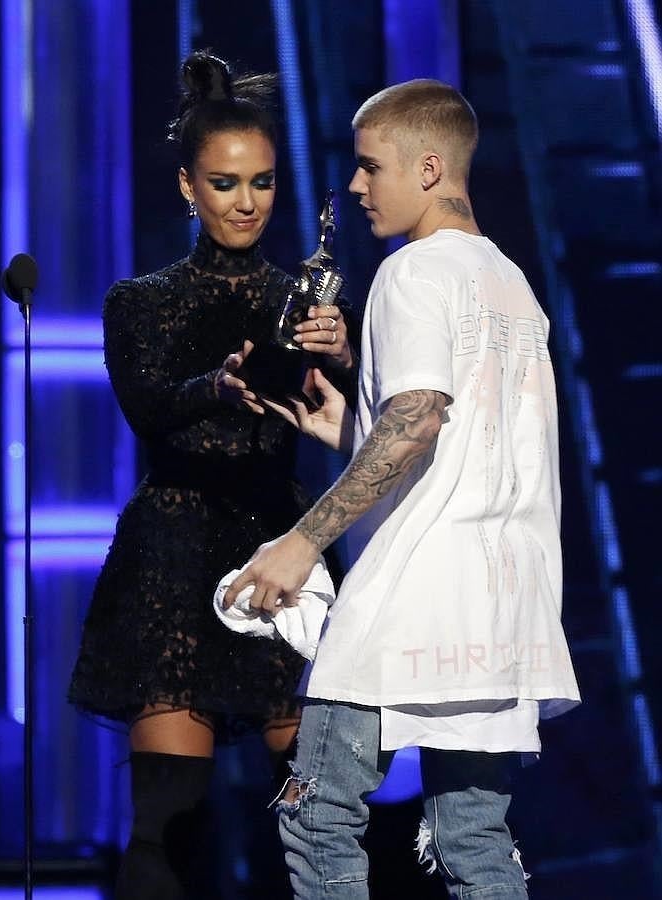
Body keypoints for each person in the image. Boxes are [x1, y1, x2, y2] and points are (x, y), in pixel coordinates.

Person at [224, 78, 581, 899]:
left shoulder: (412, 271)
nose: (354, 187)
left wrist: (300, 540)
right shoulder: (511, 285)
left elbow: (418, 419)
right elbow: (460, 440)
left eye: (367, 166)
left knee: (316, 815)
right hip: (505, 606)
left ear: (426, 168)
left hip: (412, 595)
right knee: (473, 839)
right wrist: (353, 427)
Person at [67, 51, 355, 899]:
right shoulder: (140, 300)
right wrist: (217, 385)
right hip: (175, 557)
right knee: (169, 822)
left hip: (284, 549)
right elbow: (147, 407)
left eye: (262, 184)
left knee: (321, 810)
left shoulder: (305, 302)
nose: (246, 202)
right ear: (190, 188)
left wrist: (342, 360)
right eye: (226, 184)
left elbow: (363, 433)